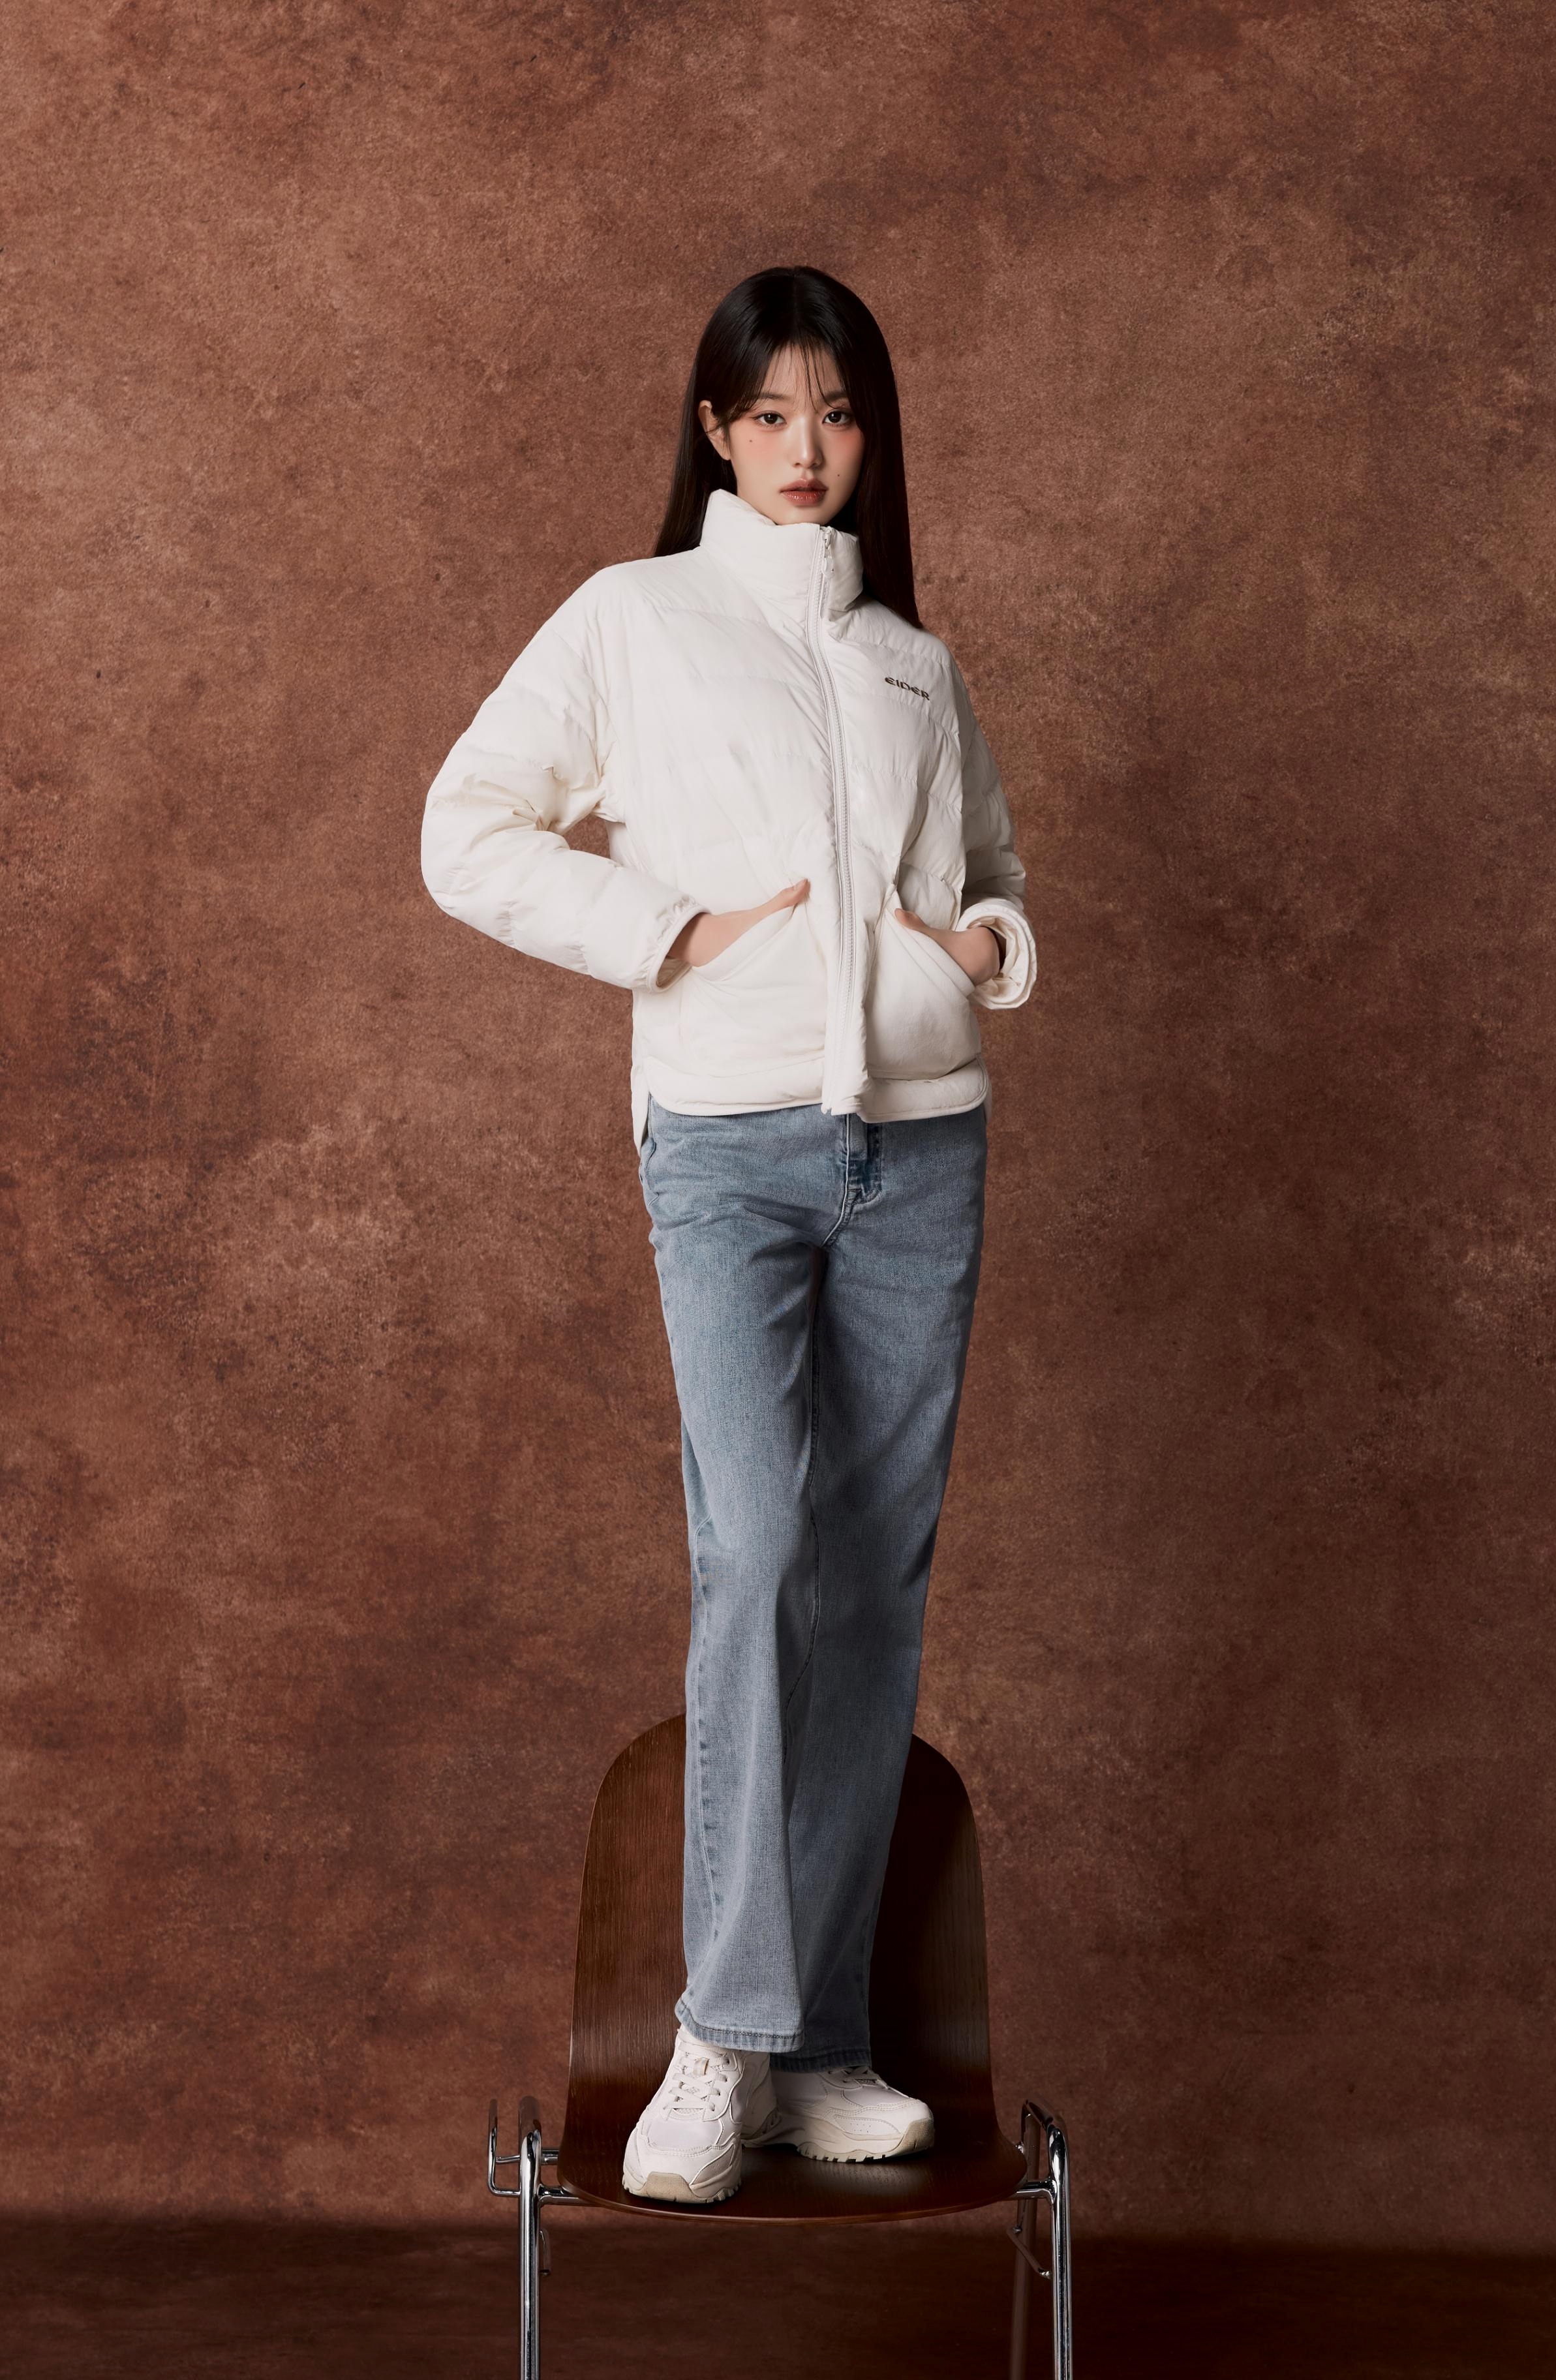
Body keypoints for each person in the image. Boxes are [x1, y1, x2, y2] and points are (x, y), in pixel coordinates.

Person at [420, 265, 1037, 2205]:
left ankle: (822, 2044)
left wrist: (979, 952)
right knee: (758, 1553)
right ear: (714, 428)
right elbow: (467, 827)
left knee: (870, 1588)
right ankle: (722, 2036)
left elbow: (994, 881)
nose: (806, 447)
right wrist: (666, 934)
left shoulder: (913, 661)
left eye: (838, 413)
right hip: (726, 1149)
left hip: (922, 1155)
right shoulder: (634, 618)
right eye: (771, 413)